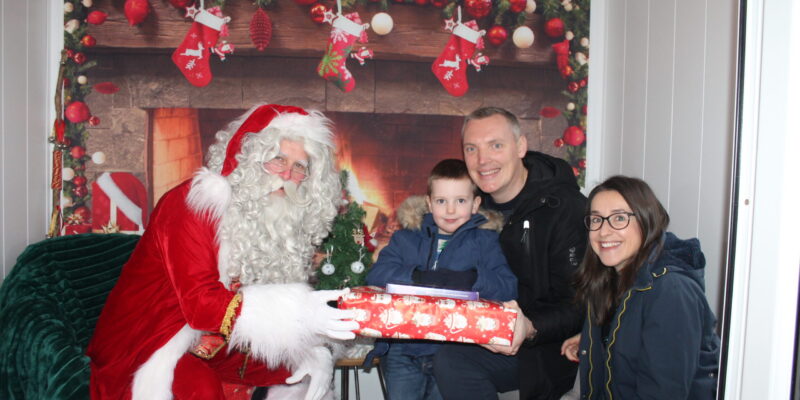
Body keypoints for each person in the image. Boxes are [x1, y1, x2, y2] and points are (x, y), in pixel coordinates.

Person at [87, 104, 359, 400]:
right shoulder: (194, 203)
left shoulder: (279, 220)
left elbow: (256, 324)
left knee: (300, 377)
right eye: (278, 159)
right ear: (249, 158)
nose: (286, 174)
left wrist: (311, 351)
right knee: (200, 390)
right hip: (152, 340)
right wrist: (301, 311)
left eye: (299, 167)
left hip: (218, 344)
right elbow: (201, 305)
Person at [433, 107, 587, 400]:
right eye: (472, 148)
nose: (483, 160)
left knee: (451, 361)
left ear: (520, 147)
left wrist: (530, 327)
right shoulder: (467, 206)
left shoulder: (564, 209)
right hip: (479, 328)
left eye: (496, 145)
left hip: (544, 345)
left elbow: (579, 305)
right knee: (413, 350)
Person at [365, 159, 518, 400]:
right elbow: (376, 275)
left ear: (475, 204)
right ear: (429, 203)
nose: (450, 210)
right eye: (441, 201)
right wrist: (416, 275)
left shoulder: (485, 242)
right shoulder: (406, 238)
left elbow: (508, 287)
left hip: (453, 350)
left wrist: (473, 278)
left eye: (460, 201)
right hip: (403, 348)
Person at [561, 175, 720, 399]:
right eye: (596, 220)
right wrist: (594, 341)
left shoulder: (671, 291)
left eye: (619, 218)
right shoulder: (609, 278)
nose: (603, 231)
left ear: (647, 220)